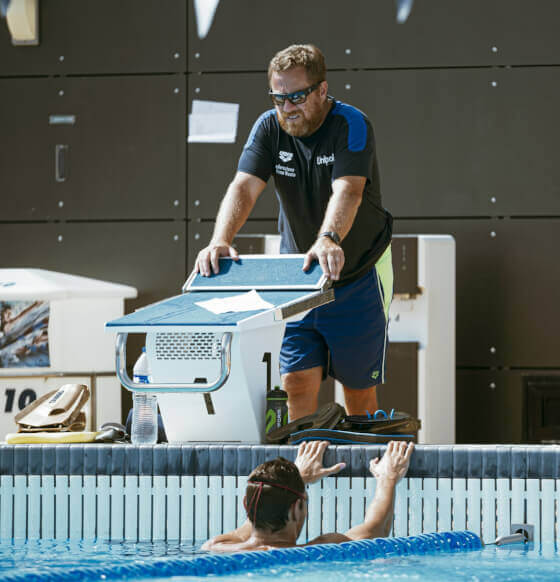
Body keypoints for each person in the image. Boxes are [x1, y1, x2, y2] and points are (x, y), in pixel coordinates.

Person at [195, 44, 393, 421]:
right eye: (278, 97)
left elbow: (348, 190)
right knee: (296, 380)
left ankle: (365, 473)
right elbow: (244, 187)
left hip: (359, 273)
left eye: (296, 97)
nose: (287, 108)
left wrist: (329, 238)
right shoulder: (269, 127)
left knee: (358, 391)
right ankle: (304, 471)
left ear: (321, 90)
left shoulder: (351, 124)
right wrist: (220, 240)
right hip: (301, 277)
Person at [202, 440, 413, 551]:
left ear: (245, 505)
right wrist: (388, 477)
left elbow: (244, 531)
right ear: (296, 508)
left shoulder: (216, 547)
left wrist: (297, 480)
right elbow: (376, 528)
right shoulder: (321, 550)